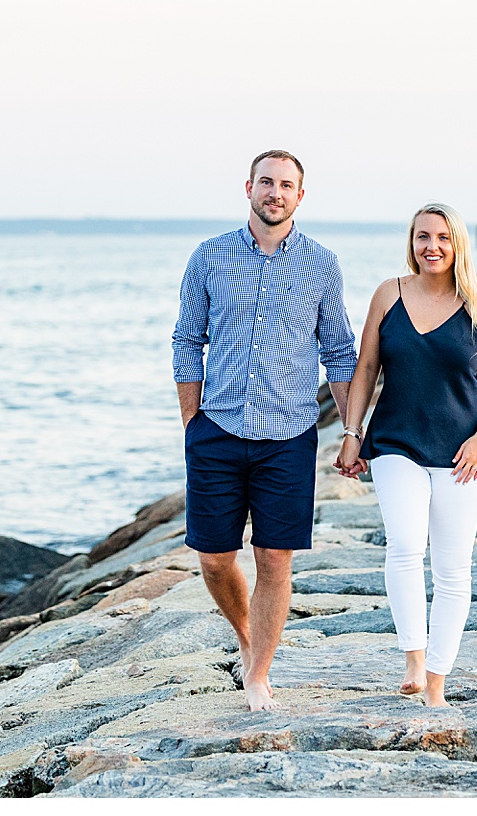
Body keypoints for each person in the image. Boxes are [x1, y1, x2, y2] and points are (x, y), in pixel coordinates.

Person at [172, 149, 357, 711]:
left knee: (275, 559)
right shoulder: (210, 256)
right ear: (247, 188)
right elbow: (187, 339)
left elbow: (340, 352)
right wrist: (190, 421)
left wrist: (352, 428)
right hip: (218, 430)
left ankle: (259, 673)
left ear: (301, 195)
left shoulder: (323, 265)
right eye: (266, 183)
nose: (275, 193)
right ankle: (247, 636)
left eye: (286, 185)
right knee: (213, 558)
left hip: (289, 435)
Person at [334, 202, 477, 707]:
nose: (431, 246)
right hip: (397, 443)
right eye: (421, 237)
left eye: (442, 237)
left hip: (464, 454)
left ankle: (437, 682)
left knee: (453, 569)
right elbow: (366, 367)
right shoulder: (389, 295)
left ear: (458, 244)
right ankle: (414, 656)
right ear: (411, 243)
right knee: (406, 546)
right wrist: (353, 431)